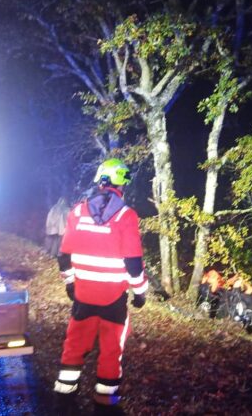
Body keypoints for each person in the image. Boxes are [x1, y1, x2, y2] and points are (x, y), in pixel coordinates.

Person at [53, 158, 148, 411]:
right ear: (122, 184)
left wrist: (71, 284)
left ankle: (64, 401)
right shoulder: (127, 216)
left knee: (74, 347)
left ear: (100, 179)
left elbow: (63, 255)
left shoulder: (77, 211)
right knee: (110, 351)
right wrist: (140, 293)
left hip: (83, 296)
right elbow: (133, 262)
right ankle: (105, 405)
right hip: (113, 299)